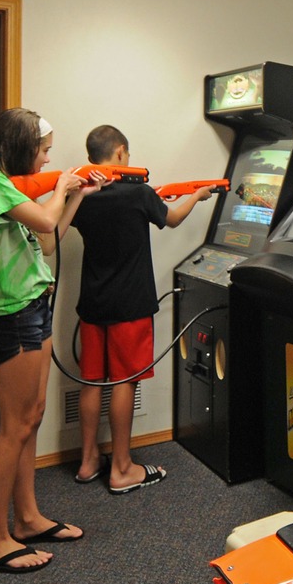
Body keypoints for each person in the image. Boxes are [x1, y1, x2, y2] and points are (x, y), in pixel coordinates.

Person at [0, 107, 103, 573]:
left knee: (31, 418)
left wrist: (76, 196)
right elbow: (46, 223)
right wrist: (61, 187)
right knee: (14, 427)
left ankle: (27, 519)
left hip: (32, 309)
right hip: (11, 315)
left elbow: (49, 240)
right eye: (43, 151)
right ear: (20, 144)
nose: (46, 159)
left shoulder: (5, 186)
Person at [70, 125, 214, 494]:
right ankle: (121, 468)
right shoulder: (138, 192)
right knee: (124, 380)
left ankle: (88, 461)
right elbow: (172, 219)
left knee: (91, 381)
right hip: (130, 303)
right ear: (120, 152)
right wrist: (197, 196)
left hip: (93, 302)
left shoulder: (81, 195)